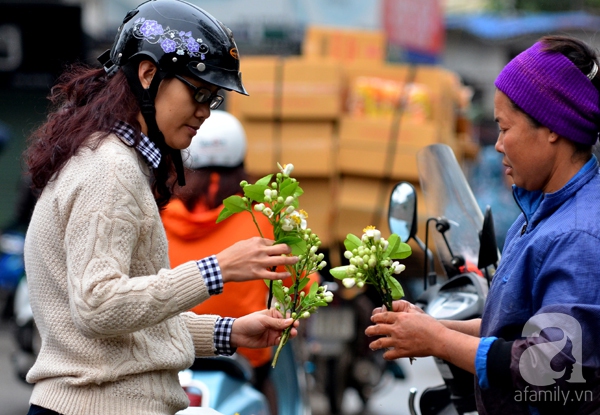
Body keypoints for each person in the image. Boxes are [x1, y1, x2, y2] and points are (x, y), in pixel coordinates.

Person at [22, 1, 300, 415]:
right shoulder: (110, 169)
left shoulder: (113, 160)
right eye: (198, 91)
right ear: (148, 74)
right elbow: (99, 305)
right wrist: (217, 270)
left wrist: (231, 332)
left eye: (214, 98)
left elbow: (131, 328)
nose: (205, 110)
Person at [366, 34, 600, 414]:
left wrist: (439, 342)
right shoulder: (538, 218)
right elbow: (516, 333)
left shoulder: (578, 235)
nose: (498, 145)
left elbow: (547, 364)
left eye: (505, 129)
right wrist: (431, 328)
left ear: (552, 128)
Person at [161, 109, 320, 414]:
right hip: (242, 350)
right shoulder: (266, 216)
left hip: (169, 347)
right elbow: (300, 286)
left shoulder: (161, 213)